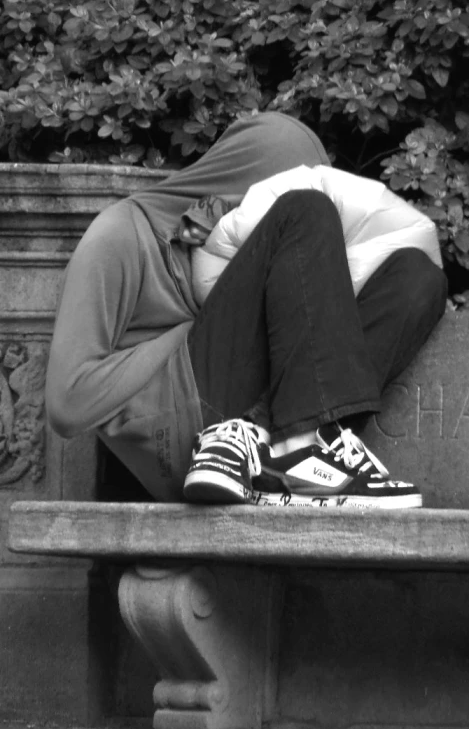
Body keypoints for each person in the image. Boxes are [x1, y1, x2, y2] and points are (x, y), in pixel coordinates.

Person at [45, 112, 447, 509]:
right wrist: (193, 329)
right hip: (175, 440)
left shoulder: (231, 251)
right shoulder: (119, 234)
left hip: (251, 435)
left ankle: (296, 448)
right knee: (307, 211)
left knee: (418, 279)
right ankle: (293, 448)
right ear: (234, 180)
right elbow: (68, 402)